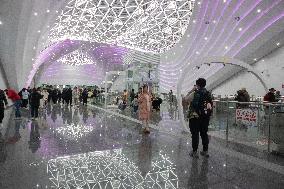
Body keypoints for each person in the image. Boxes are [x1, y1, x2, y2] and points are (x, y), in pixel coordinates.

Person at [188, 78, 212, 158]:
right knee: (204, 134)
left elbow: (185, 99)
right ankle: (205, 151)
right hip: (205, 117)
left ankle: (195, 152)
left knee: (195, 134)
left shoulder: (194, 93)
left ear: (197, 85)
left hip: (195, 117)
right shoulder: (208, 93)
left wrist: (192, 90)